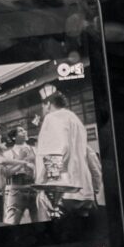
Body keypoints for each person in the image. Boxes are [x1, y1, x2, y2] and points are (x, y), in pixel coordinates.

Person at [34, 85, 96, 217]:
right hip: (84, 192)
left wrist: (44, 184)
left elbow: (57, 150)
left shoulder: (52, 118)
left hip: (62, 193)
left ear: (49, 103)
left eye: (43, 106)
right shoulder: (75, 119)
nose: (43, 109)